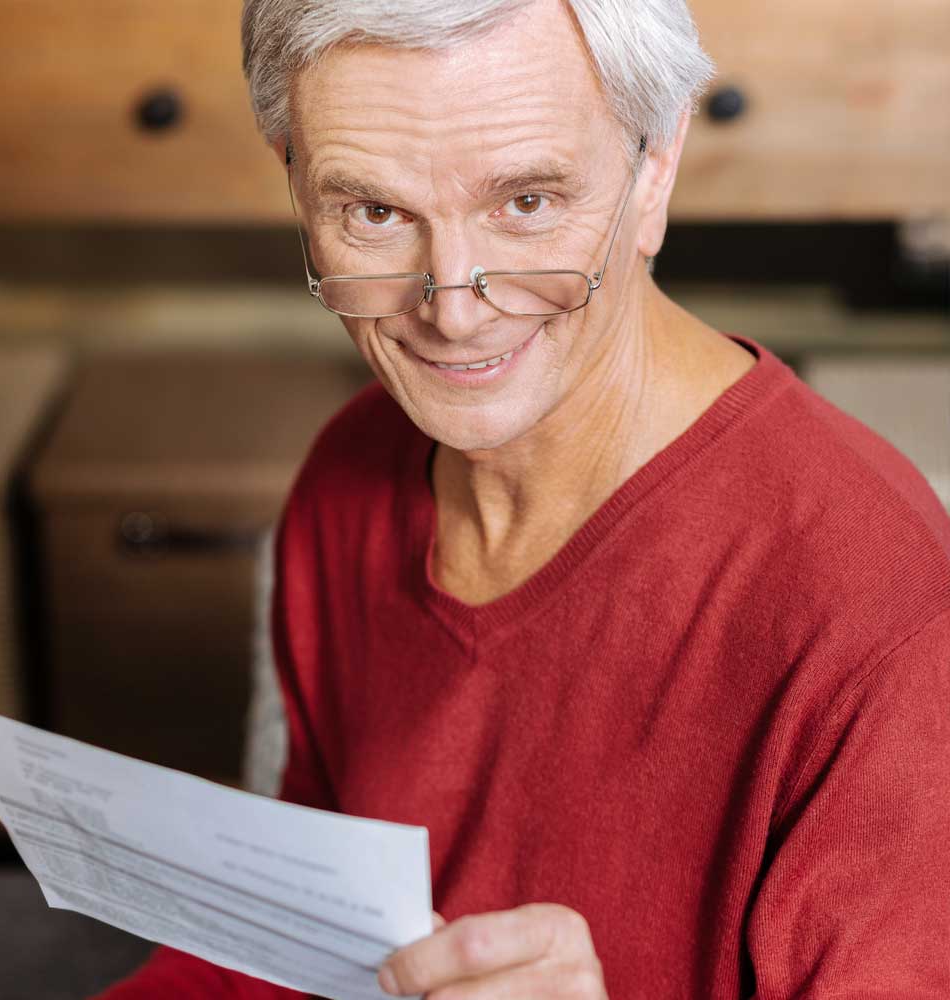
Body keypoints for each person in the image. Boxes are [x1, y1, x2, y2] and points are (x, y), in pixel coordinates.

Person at [98, 0, 950, 997]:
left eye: (528, 203)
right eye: (372, 212)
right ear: (293, 178)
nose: (453, 309)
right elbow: (296, 934)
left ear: (656, 162)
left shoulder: (877, 606)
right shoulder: (351, 471)